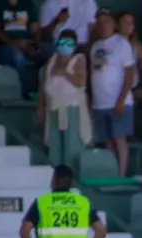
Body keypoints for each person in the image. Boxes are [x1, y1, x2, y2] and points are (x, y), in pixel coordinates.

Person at [88, 10, 136, 178]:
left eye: (106, 21)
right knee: (108, 141)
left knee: (119, 140)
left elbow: (130, 74)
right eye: (99, 22)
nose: (103, 25)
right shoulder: (94, 46)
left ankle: (121, 175)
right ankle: (112, 172)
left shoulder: (121, 43)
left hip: (117, 101)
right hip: (100, 103)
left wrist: (121, 100)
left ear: (113, 24)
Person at [37, 29, 90, 174]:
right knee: (55, 145)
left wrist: (64, 73)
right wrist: (40, 106)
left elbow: (81, 82)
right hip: (53, 107)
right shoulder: (51, 61)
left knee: (71, 145)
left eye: (69, 43)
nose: (65, 45)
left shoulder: (78, 60)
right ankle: (55, 176)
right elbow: (43, 85)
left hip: (71, 109)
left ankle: (71, 178)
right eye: (62, 42)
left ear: (74, 45)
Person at [0, 0, 48, 98]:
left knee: (48, 52)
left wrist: (34, 44)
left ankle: (45, 94)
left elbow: (35, 30)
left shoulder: (27, 4)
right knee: (18, 57)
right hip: (3, 48)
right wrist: (13, 43)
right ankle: (25, 94)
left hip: (26, 45)